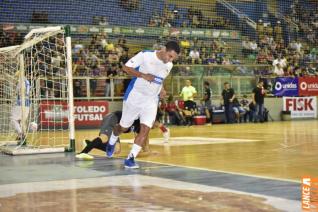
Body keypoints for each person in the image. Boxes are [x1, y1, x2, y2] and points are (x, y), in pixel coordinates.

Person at [105, 41, 180, 169]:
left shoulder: (169, 65)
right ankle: (112, 139)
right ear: (163, 49)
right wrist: (143, 75)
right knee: (123, 127)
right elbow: (126, 68)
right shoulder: (146, 55)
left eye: (173, 58)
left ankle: (130, 158)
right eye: (170, 56)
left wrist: (161, 89)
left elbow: (160, 79)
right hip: (135, 96)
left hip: (151, 100)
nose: (170, 60)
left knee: (145, 129)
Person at [76, 110, 170, 160]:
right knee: (104, 138)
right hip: (113, 118)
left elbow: (144, 146)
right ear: (152, 120)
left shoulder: (143, 128)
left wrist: (149, 152)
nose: (154, 127)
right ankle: (83, 153)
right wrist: (147, 151)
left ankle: (89, 143)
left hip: (117, 128)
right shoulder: (140, 119)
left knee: (116, 150)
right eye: (155, 125)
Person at [11, 71, 31, 144]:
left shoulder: (21, 81)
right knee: (21, 120)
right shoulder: (27, 81)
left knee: (13, 119)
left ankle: (21, 133)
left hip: (21, 102)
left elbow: (18, 92)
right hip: (28, 103)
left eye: (16, 77)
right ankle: (20, 135)